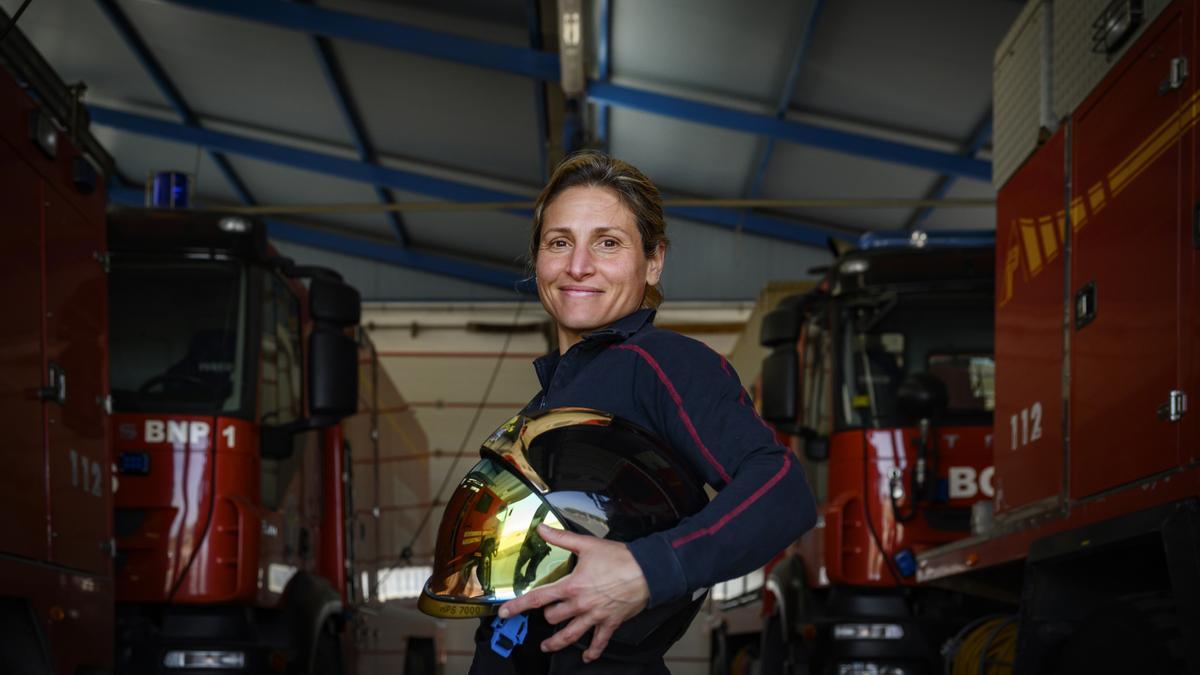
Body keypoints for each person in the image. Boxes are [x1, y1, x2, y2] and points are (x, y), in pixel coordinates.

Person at [468, 151, 817, 674]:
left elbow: (784, 491)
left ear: (653, 261)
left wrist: (648, 570)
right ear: (538, 260)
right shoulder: (549, 403)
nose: (578, 265)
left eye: (608, 243)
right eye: (559, 242)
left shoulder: (660, 363)